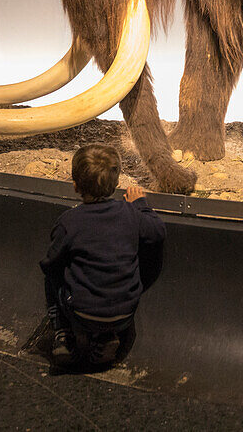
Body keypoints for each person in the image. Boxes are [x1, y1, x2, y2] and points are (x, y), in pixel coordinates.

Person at [40, 144, 166, 368]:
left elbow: (51, 264)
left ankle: (63, 334)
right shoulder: (131, 214)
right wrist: (141, 205)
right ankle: (105, 337)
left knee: (51, 279)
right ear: (116, 182)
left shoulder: (69, 221)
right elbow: (157, 232)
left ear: (76, 186)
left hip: (81, 312)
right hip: (125, 312)